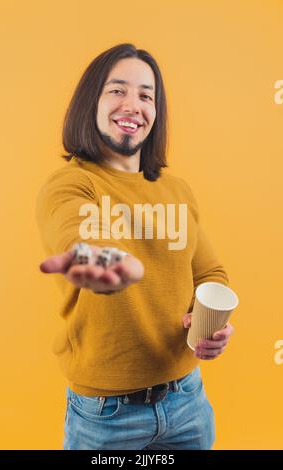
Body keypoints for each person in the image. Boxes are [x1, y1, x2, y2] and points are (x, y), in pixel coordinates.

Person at [35, 43, 234, 450]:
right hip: (105, 416)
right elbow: (75, 240)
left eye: (146, 95)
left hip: (188, 403)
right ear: (91, 101)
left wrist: (207, 324)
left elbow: (210, 274)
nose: (133, 105)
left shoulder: (176, 190)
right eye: (117, 90)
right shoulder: (72, 184)